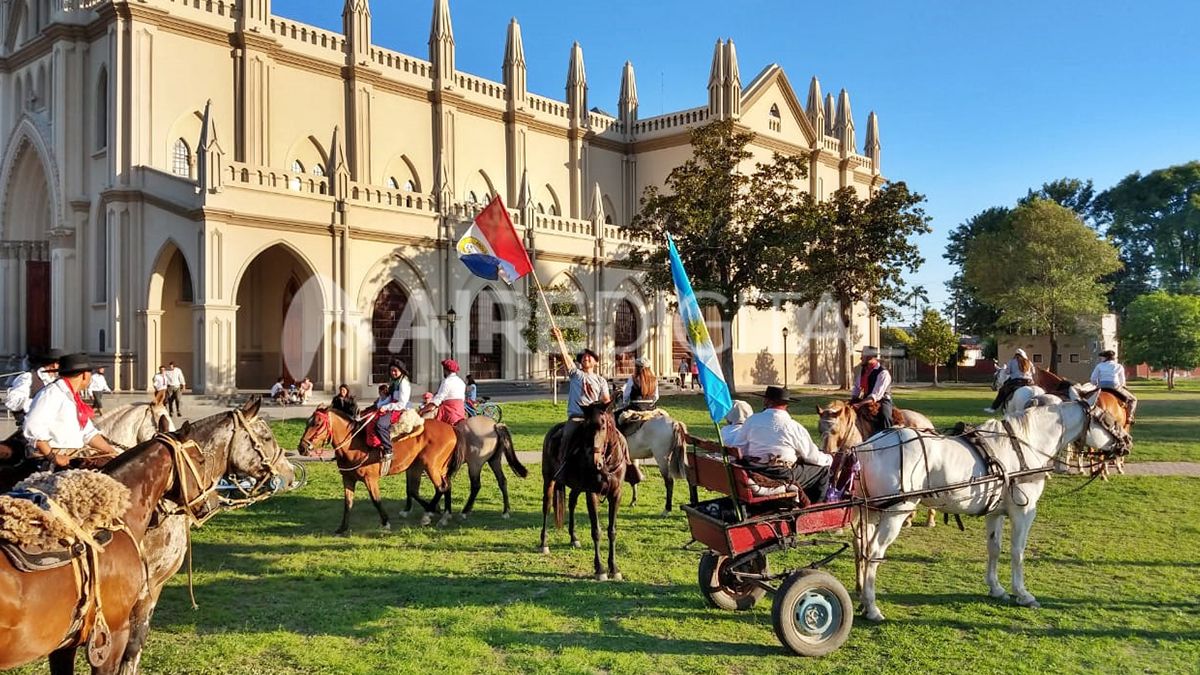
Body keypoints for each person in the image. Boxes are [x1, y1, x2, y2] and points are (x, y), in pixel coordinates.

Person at [725, 386, 831, 503]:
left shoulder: (752, 420)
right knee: (823, 471)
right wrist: (828, 458)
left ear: (766, 401)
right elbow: (812, 457)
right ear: (786, 404)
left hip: (755, 469)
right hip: (781, 473)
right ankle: (815, 508)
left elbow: (738, 448)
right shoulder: (792, 426)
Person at [23, 353, 118, 469]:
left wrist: (112, 453)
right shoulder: (52, 393)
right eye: (90, 373)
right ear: (84, 375)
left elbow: (89, 433)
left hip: (73, 457)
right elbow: (32, 427)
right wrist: (53, 457)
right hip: (52, 461)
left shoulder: (73, 398)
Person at [4, 350, 59, 429]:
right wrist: (36, 403)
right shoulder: (28, 378)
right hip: (31, 431)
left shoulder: (56, 381)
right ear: (54, 365)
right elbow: (12, 402)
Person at [850, 346, 894, 429]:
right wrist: (852, 400)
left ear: (870, 357)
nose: (860, 358)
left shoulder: (883, 373)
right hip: (866, 400)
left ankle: (889, 435)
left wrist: (859, 404)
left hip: (882, 400)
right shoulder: (863, 371)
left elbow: (875, 395)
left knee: (885, 416)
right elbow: (856, 388)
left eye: (863, 355)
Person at [1090, 350, 1137, 424]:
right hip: (1114, 386)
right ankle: (1130, 417)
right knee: (1133, 399)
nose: (1101, 359)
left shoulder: (1099, 366)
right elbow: (1122, 381)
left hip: (1101, 387)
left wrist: (1095, 385)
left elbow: (1093, 378)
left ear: (1106, 358)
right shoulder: (1118, 366)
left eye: (1102, 357)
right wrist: (1122, 386)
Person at [376, 360, 413, 452]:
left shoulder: (403, 383)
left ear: (401, 371)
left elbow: (401, 404)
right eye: (391, 370)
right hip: (392, 406)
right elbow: (390, 397)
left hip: (399, 408)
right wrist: (379, 405)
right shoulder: (394, 381)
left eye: (395, 370)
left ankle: (388, 449)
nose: (393, 373)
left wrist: (385, 407)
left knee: (380, 425)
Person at [986, 348, 1035, 413]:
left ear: (1016, 355)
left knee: (1002, 391)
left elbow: (1007, 372)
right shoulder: (1029, 362)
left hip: (1016, 382)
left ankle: (993, 408)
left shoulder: (1012, 361)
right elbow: (1034, 372)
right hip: (1029, 382)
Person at [423, 359, 467, 427]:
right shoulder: (461, 382)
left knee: (422, 421)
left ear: (445, 370)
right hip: (460, 412)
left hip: (448, 412)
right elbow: (463, 399)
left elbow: (438, 400)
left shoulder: (446, 381)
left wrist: (423, 410)